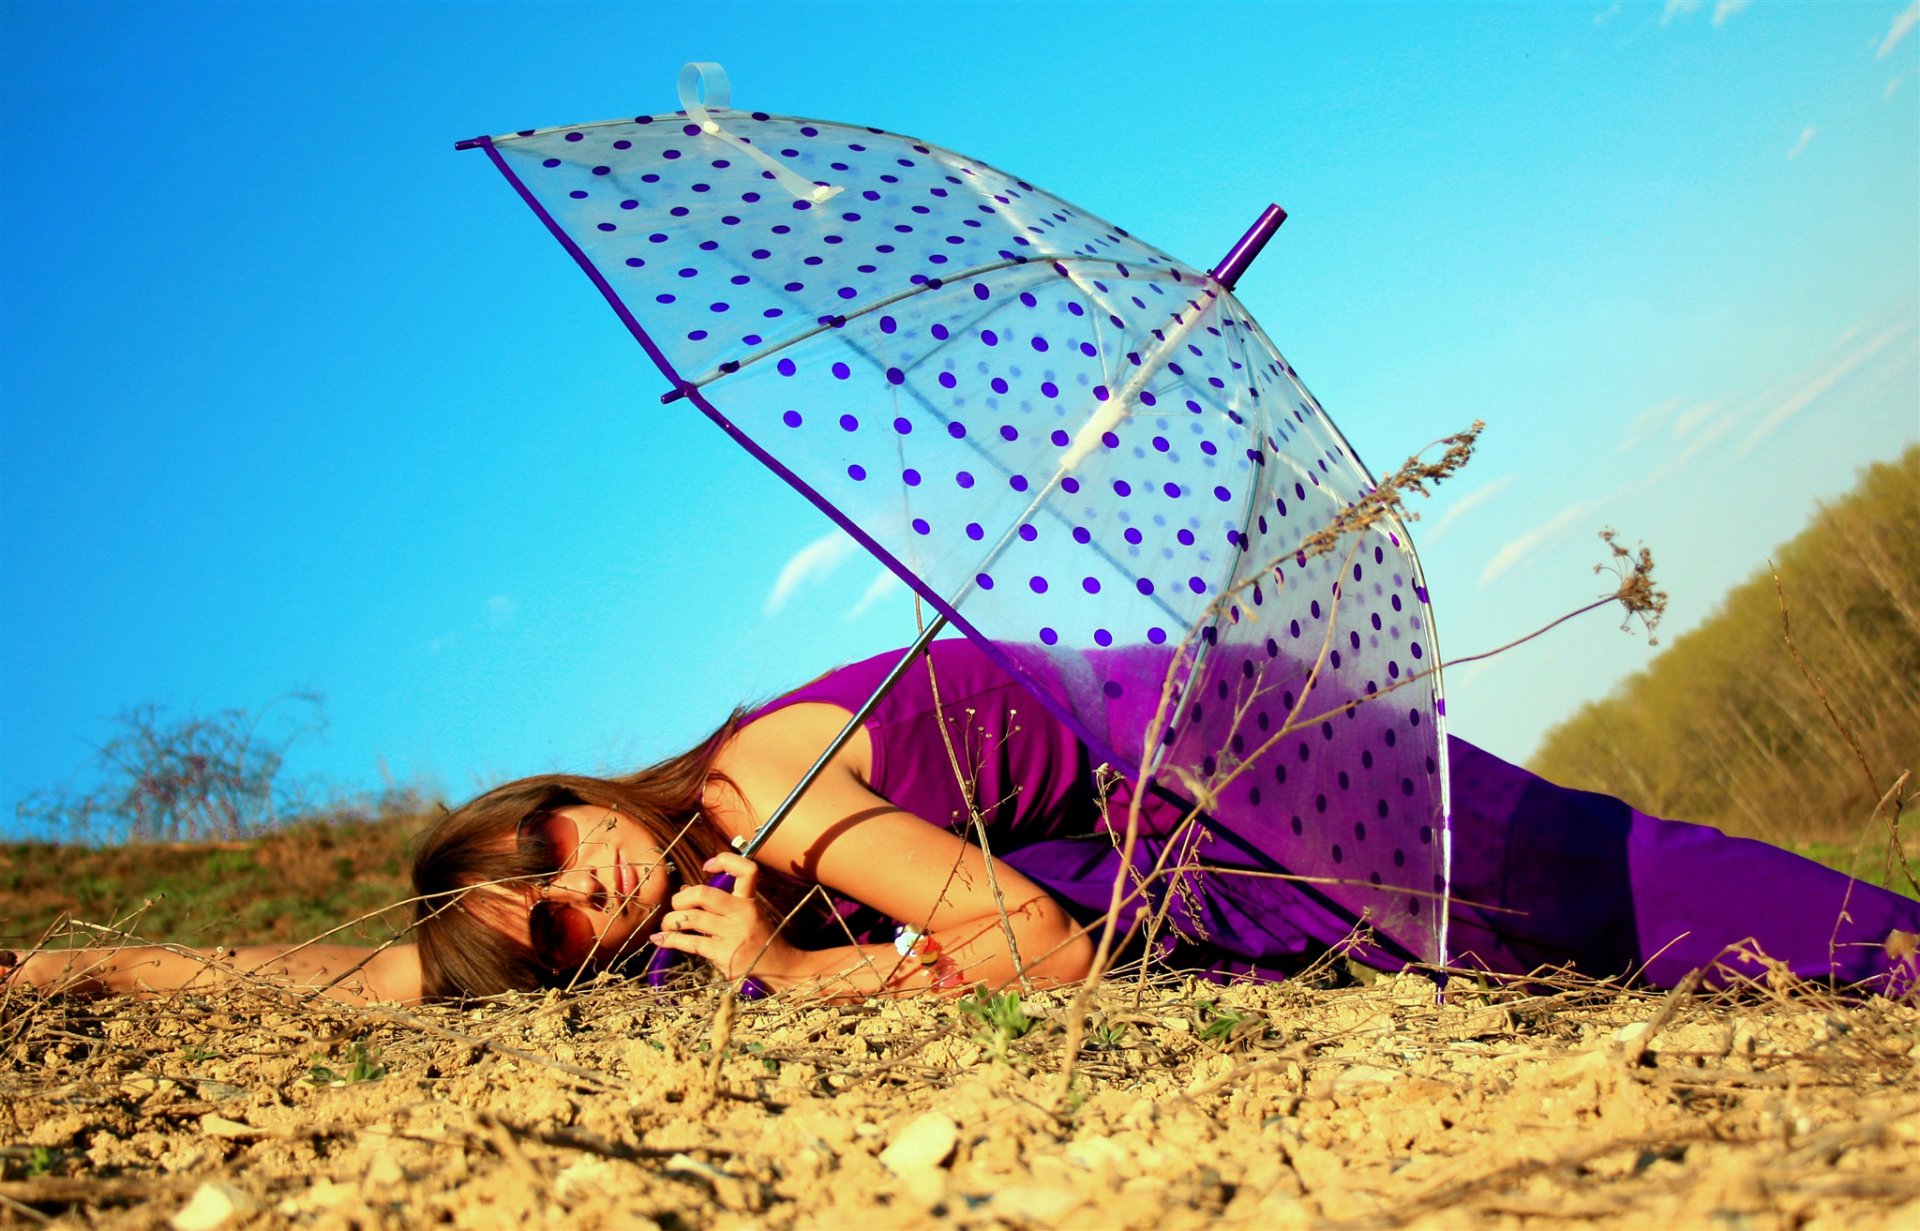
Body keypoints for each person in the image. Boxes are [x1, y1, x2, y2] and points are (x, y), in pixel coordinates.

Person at [9, 639, 1917, 1005]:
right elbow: (363, 986)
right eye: (555, 936)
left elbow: (1034, 946)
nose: (582, 897)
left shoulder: (763, 795)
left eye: (544, 856)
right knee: (1571, 930)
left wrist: (785, 979)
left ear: (564, 797)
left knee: (1583, 885)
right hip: (1182, 800)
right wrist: (72, 957)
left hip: (1224, 754)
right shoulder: (724, 841)